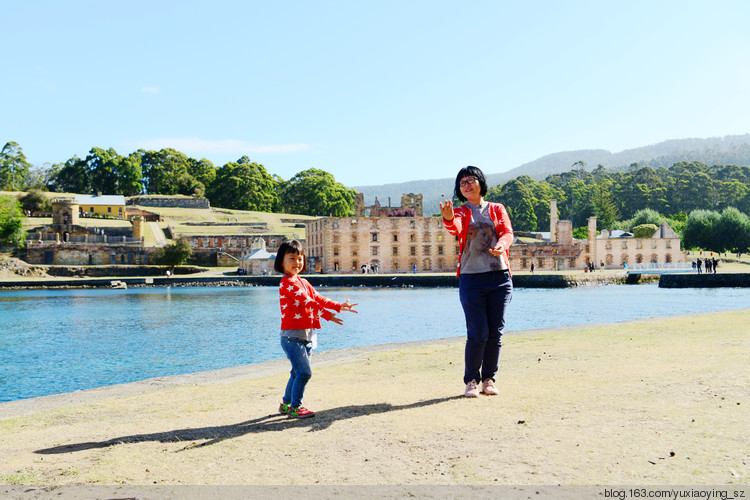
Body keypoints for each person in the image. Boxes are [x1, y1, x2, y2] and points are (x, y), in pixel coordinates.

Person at [440, 166, 514, 398]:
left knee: (495, 332)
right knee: (477, 332)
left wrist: (502, 245)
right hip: (471, 278)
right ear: (459, 190)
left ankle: (489, 379)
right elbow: (456, 228)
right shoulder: (461, 211)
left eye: (471, 180)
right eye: (462, 183)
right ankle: (471, 380)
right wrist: (449, 217)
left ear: (481, 182)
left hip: (499, 277)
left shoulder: (496, 208)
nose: (467, 185)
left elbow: (507, 232)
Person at [274, 240, 358, 418]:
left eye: (300, 258)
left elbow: (318, 298)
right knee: (304, 372)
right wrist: (328, 316)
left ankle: (286, 404)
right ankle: (296, 407)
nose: (297, 262)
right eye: (292, 258)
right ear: (281, 261)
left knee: (296, 371)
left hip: (306, 336)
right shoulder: (288, 283)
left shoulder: (302, 281)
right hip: (292, 337)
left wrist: (339, 306)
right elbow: (308, 302)